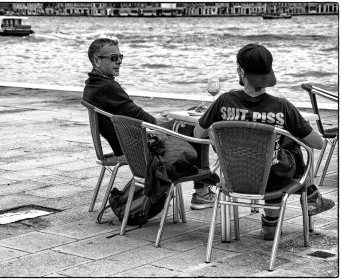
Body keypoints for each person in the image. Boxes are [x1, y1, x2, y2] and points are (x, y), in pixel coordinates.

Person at [193, 43, 335, 240]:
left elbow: (198, 132)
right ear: (268, 74)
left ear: (241, 72)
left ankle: (280, 216)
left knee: (277, 146)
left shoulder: (224, 101)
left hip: (236, 176)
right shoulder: (282, 106)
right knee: (288, 144)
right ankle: (297, 204)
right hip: (276, 178)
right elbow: (317, 144)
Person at [83, 38, 216, 209]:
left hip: (128, 142)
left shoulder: (93, 85)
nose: (120, 61)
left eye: (121, 56)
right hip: (136, 147)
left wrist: (163, 119)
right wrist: (162, 122)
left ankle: (202, 191)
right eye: (114, 58)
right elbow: (138, 115)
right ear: (97, 60)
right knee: (195, 127)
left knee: (185, 119)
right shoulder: (107, 87)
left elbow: (131, 112)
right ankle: (202, 193)